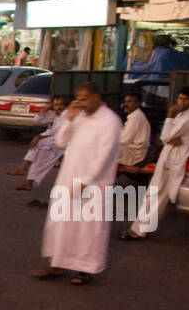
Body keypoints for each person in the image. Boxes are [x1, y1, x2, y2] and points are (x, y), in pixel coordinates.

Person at [33, 82, 122, 285]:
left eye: (84, 99)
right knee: (61, 223)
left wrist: (87, 181)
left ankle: (85, 270)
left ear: (97, 97)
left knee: (87, 229)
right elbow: (62, 142)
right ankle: (58, 263)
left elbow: (105, 156)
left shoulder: (110, 121)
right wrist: (70, 120)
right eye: (78, 99)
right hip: (68, 178)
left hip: (92, 184)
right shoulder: (80, 117)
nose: (80, 103)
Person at [121, 86, 189, 240]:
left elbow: (164, 136)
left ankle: (138, 230)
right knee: (156, 196)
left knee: (156, 195)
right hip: (170, 158)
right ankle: (139, 229)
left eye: (186, 100)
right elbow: (167, 138)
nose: (182, 102)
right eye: (180, 99)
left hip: (173, 161)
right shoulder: (185, 114)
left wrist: (170, 117)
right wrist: (169, 137)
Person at [9, 94, 69, 190]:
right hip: (54, 143)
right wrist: (47, 108)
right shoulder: (55, 114)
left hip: (63, 142)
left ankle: (23, 168)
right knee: (39, 156)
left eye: (62, 104)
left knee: (39, 143)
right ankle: (28, 181)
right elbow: (38, 118)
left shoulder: (68, 114)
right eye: (56, 105)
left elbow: (61, 133)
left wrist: (39, 137)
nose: (59, 107)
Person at [117, 91, 150, 171]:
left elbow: (124, 140)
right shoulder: (134, 116)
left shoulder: (136, 117)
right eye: (125, 102)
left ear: (138, 104)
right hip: (131, 150)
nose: (126, 104)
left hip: (134, 154)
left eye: (130, 102)